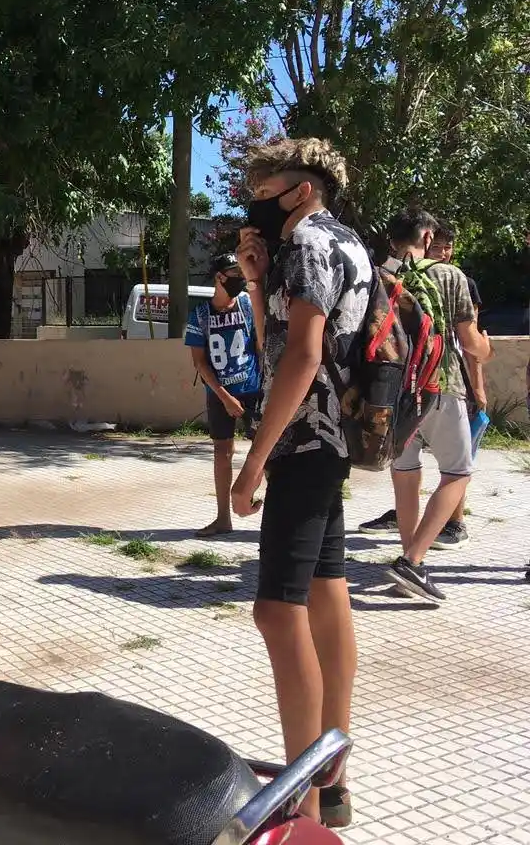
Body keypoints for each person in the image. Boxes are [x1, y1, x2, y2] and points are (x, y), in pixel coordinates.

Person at [230, 137, 371, 828]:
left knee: (276, 611)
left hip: (304, 439)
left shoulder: (310, 243)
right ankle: (333, 782)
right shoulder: (344, 242)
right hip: (329, 440)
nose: (256, 200)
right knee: (324, 592)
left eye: (266, 188)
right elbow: (281, 342)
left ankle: (304, 805)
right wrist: (258, 284)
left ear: (303, 188)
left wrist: (254, 461)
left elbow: (303, 356)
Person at [375, 210, 493, 603]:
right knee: (458, 471)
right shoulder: (448, 275)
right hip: (439, 385)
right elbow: (469, 340)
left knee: (405, 475)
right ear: (428, 237)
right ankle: (412, 561)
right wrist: (486, 348)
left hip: (394, 394)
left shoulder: (378, 276)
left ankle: (409, 562)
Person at [184, 253, 263, 537]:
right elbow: (200, 362)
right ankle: (222, 518)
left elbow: (260, 345)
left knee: (265, 451)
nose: (240, 277)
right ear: (219, 277)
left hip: (253, 390)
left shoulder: (247, 305)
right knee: (222, 452)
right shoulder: (199, 316)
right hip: (220, 394)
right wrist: (224, 397)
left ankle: (270, 514)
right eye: (234, 272)